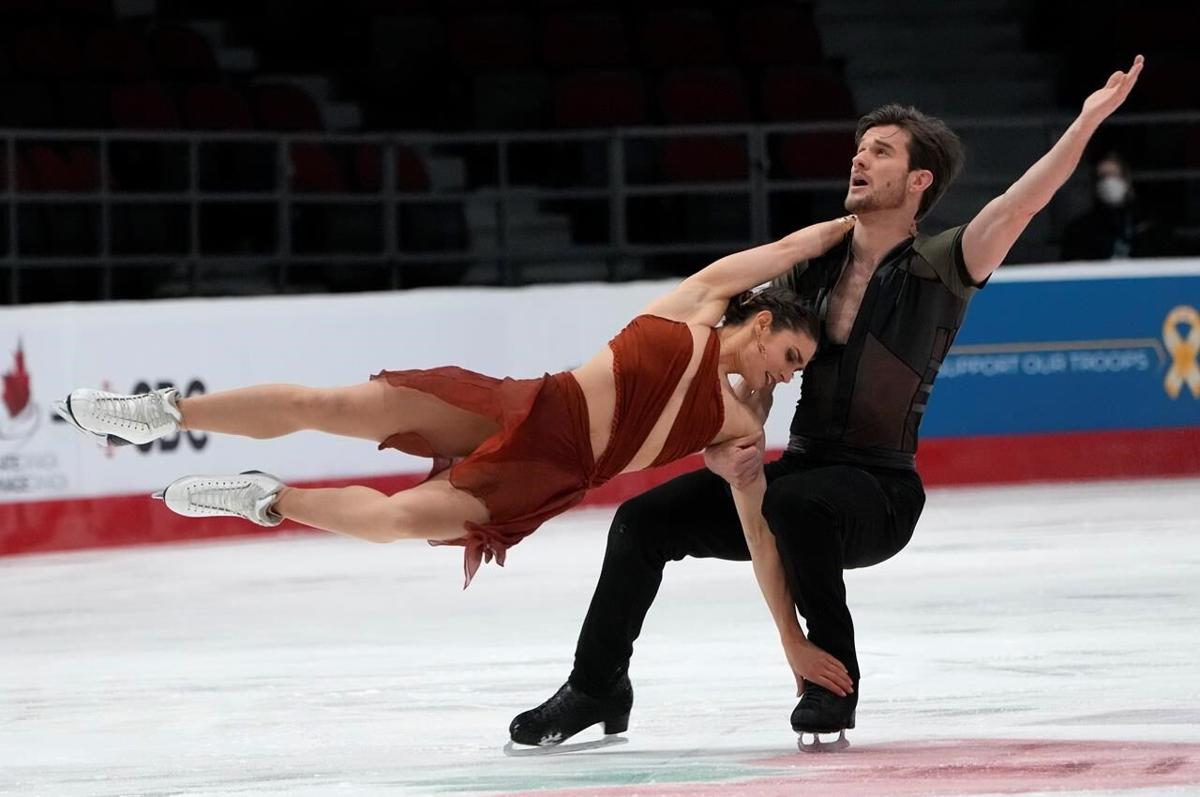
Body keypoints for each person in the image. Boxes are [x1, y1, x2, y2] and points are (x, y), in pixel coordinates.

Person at [510, 56, 1146, 751]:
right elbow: (743, 351)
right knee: (643, 520)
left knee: (798, 502)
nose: (859, 159)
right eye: (858, 148)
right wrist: (733, 424)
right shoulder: (811, 266)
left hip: (880, 489)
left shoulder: (944, 265)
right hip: (804, 469)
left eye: (880, 151)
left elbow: (1021, 202)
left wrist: (1086, 121)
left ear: (919, 179)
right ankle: (598, 683)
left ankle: (830, 680)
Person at [53, 214, 855, 645]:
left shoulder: (742, 423)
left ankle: (266, 499)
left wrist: (791, 642)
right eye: (790, 353)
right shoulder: (701, 299)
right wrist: (863, 226)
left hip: (548, 474)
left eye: (798, 370)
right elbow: (795, 245)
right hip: (527, 402)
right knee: (331, 404)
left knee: (401, 521)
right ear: (760, 319)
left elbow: (756, 529)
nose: (788, 373)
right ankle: (157, 414)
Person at [1060, 150, 1171, 261]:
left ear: (1126, 180)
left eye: (1114, 175)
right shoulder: (1081, 229)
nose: (1108, 182)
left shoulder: (1147, 223)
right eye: (1102, 177)